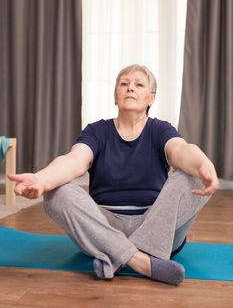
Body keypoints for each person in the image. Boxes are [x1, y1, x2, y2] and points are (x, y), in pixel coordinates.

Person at [8, 64, 219, 286]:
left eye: (139, 84)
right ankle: (141, 261)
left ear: (151, 98)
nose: (130, 88)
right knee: (56, 192)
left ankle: (115, 257)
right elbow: (74, 160)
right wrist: (42, 179)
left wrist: (203, 164)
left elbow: (181, 150)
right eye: (124, 84)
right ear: (115, 95)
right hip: (104, 226)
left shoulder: (160, 129)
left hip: (158, 227)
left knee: (195, 175)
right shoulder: (97, 131)